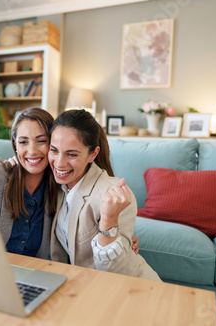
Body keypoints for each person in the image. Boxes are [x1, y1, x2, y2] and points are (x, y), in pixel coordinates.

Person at [0, 107, 140, 259]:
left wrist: (118, 239)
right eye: (23, 142)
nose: (32, 150)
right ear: (15, 144)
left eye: (41, 141)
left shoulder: (60, 186)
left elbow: (82, 227)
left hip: (35, 274)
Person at [48, 109, 160, 281]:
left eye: (71, 154)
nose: (59, 163)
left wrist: (108, 222)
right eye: (54, 150)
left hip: (132, 288)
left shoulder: (113, 193)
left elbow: (115, 272)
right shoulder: (58, 185)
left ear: (93, 154)